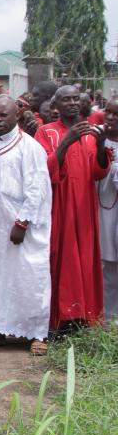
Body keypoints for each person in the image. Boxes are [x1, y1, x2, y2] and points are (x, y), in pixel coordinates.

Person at [0, 97, 52, 353]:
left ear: (17, 115)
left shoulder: (30, 147)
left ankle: (37, 334)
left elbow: (37, 188)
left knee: (27, 276)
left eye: (5, 116)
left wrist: (23, 222)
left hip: (20, 225)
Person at [35, 85, 112, 330]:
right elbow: (42, 170)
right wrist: (66, 142)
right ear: (55, 105)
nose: (72, 103)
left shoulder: (90, 132)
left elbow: (99, 172)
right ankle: (60, 318)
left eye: (75, 99)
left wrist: (100, 146)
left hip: (84, 207)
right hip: (58, 205)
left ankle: (84, 315)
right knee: (60, 258)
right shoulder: (46, 132)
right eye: (65, 100)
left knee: (86, 258)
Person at [97, 98, 118, 319]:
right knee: (105, 267)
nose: (110, 118)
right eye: (108, 112)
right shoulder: (96, 139)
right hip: (100, 210)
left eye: (116, 114)